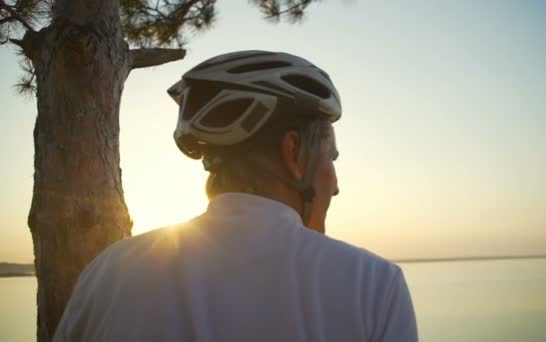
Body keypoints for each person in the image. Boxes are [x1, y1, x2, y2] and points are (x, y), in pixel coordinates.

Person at [53, 51, 418, 341]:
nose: (335, 184)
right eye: (330, 158)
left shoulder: (106, 273)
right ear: (294, 153)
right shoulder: (372, 285)